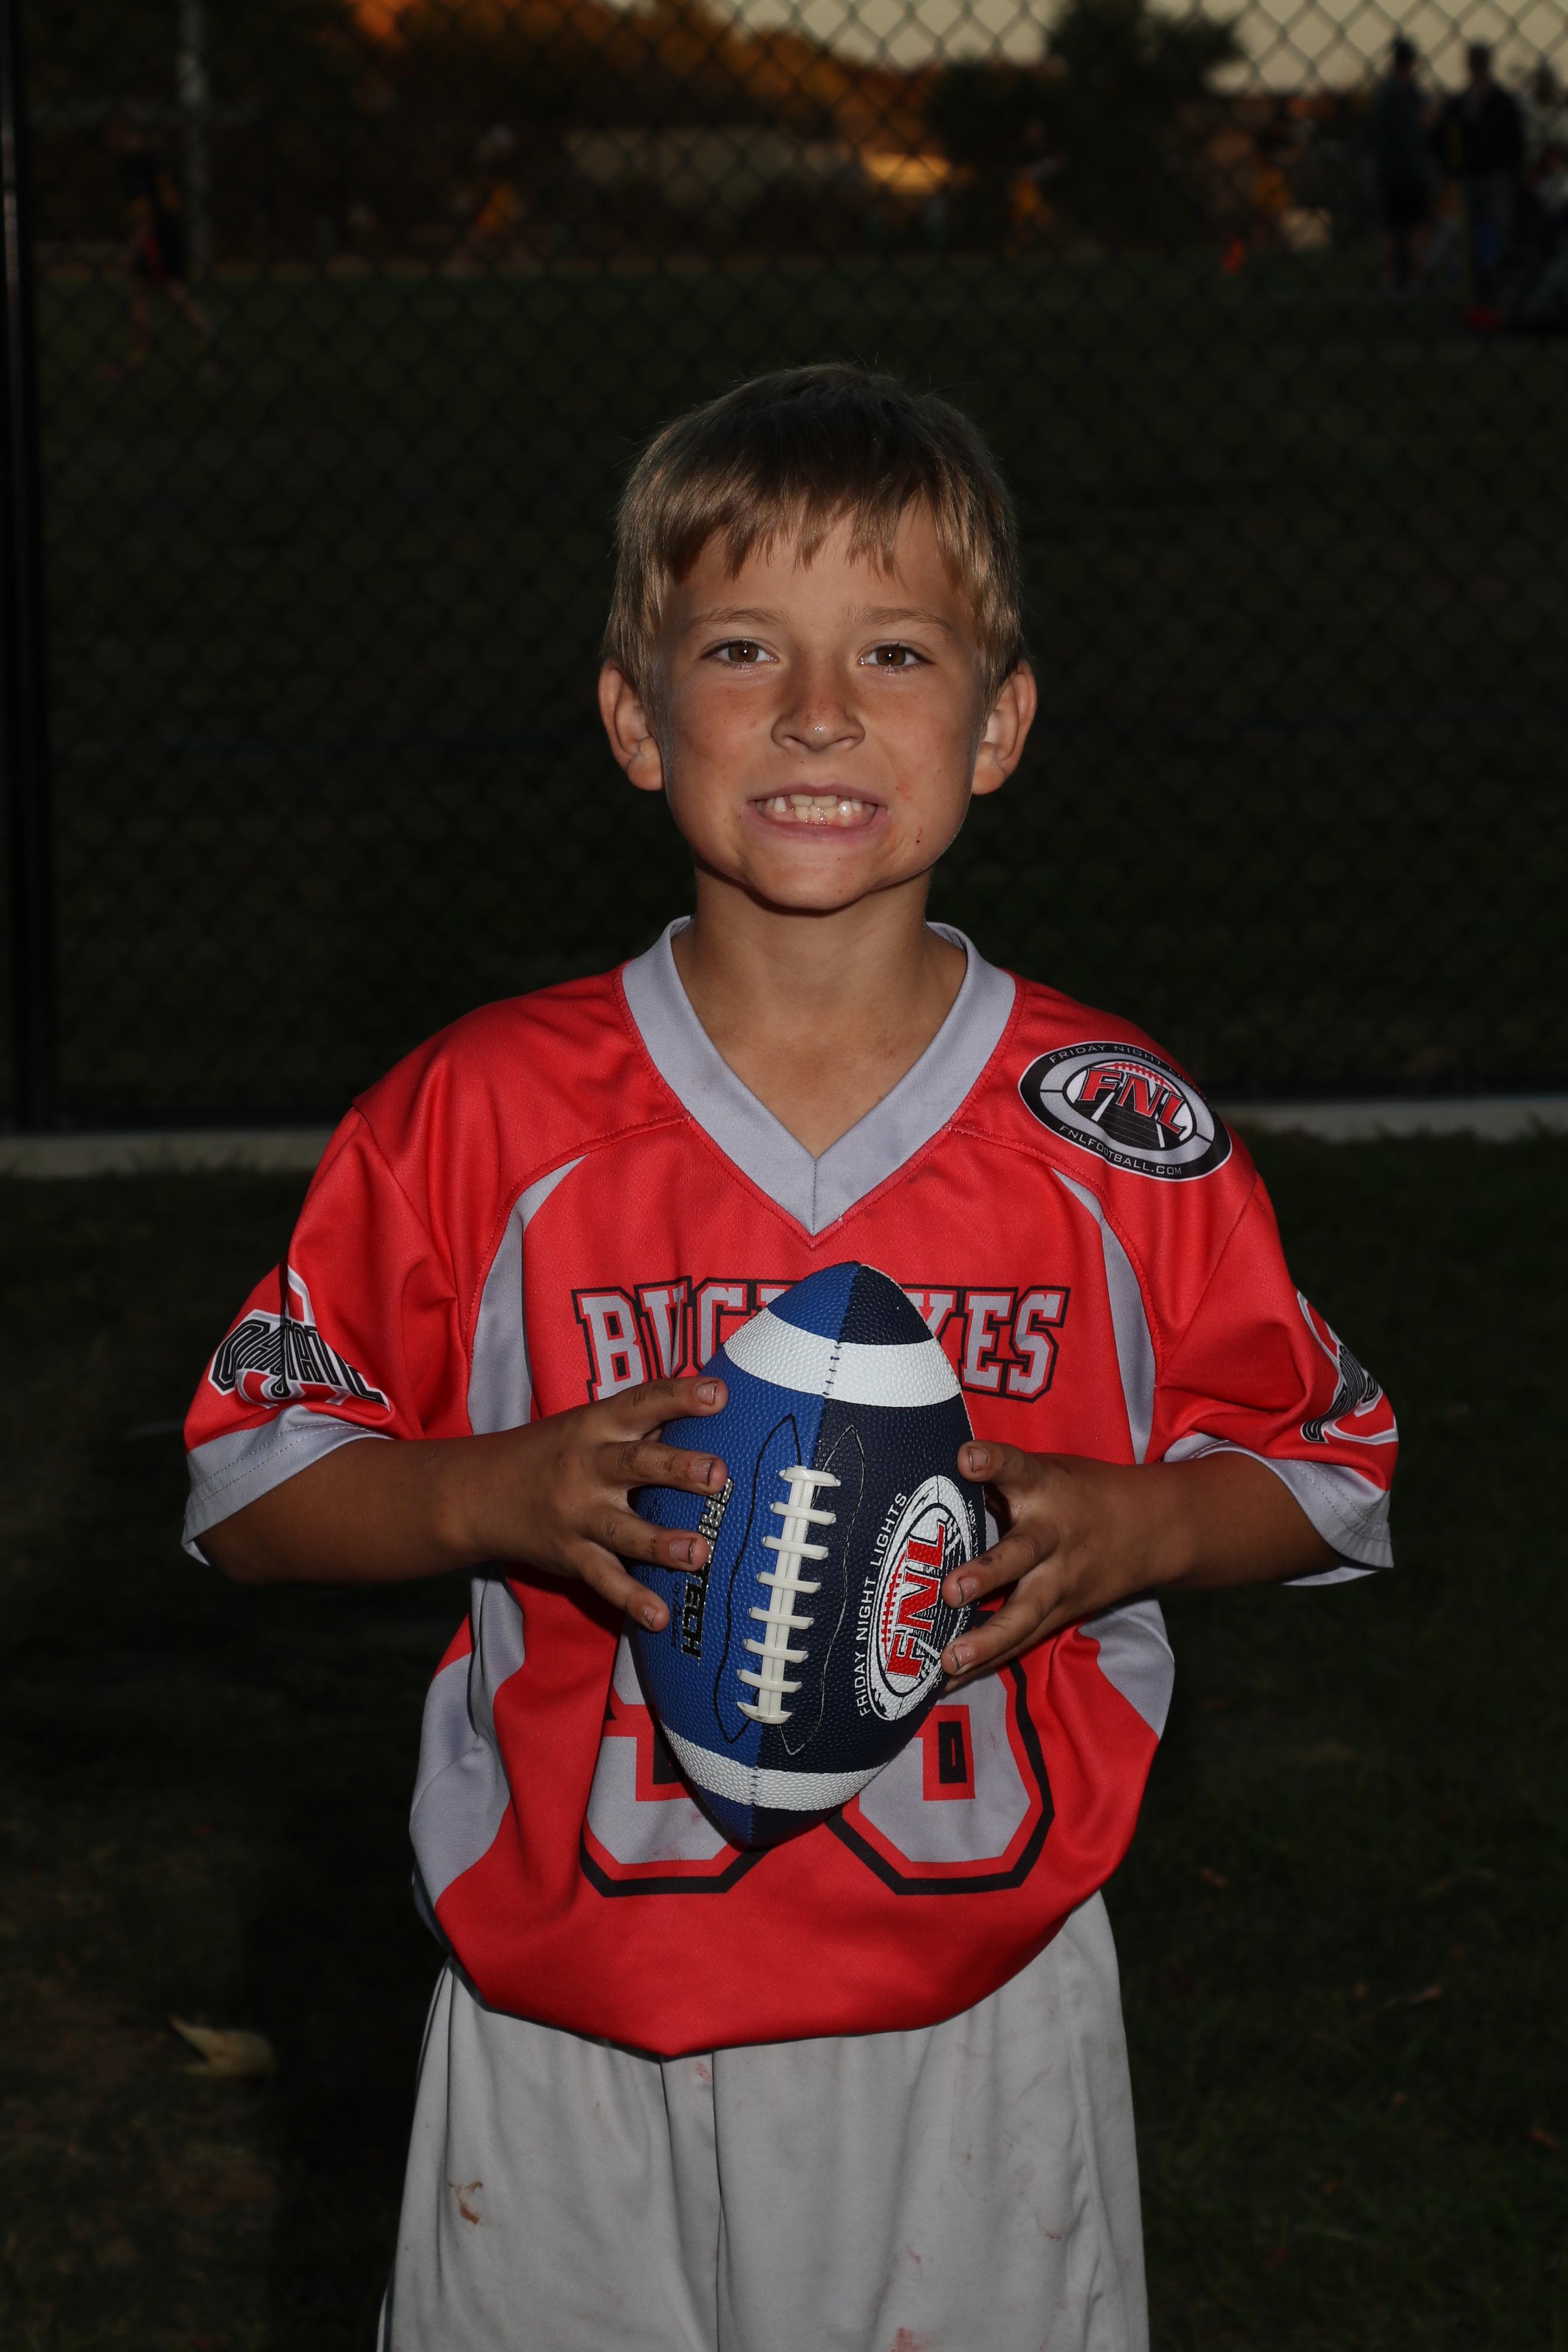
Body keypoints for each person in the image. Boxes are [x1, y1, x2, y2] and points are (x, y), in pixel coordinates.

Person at [183, 364, 1397, 2352]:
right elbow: (249, 1490)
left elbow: (1331, 1466)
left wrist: (1143, 1527)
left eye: (893, 651)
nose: (817, 710)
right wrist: (491, 1491)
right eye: (742, 647)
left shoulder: (1107, 1130)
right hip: (567, 2026)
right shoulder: (484, 1114)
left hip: (972, 2027)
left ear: (997, 723)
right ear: (631, 713)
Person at [104, 122, 224, 377]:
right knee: (162, 292)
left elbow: (145, 213)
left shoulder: (134, 163)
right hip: (168, 229)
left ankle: (137, 358)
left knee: (154, 291)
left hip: (156, 236)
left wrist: (132, 249)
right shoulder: (152, 155)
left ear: (120, 133)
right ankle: (210, 341)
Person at [1437, 41, 1526, 315]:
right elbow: (1441, 137)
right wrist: (1452, 169)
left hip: (1497, 176)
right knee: (1473, 238)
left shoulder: (1503, 101)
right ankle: (1481, 295)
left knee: (1501, 234)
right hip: (1471, 177)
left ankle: (1504, 289)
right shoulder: (1461, 103)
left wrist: (1512, 172)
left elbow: (1516, 142)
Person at [1371, 38, 1436, 291]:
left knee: (1395, 226)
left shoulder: (1390, 93)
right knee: (1410, 226)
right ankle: (1410, 278)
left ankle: (1396, 279)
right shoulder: (1404, 94)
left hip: (1395, 170)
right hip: (1406, 170)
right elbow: (1425, 123)